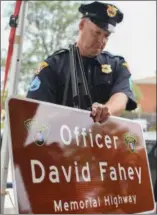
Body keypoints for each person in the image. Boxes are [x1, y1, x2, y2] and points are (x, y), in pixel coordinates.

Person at [26, 1, 137, 123]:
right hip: (62, 138)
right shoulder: (53, 66)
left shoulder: (117, 66)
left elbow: (122, 96)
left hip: (100, 139)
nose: (101, 40)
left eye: (106, 35)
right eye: (97, 33)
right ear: (82, 25)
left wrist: (106, 110)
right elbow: (34, 110)